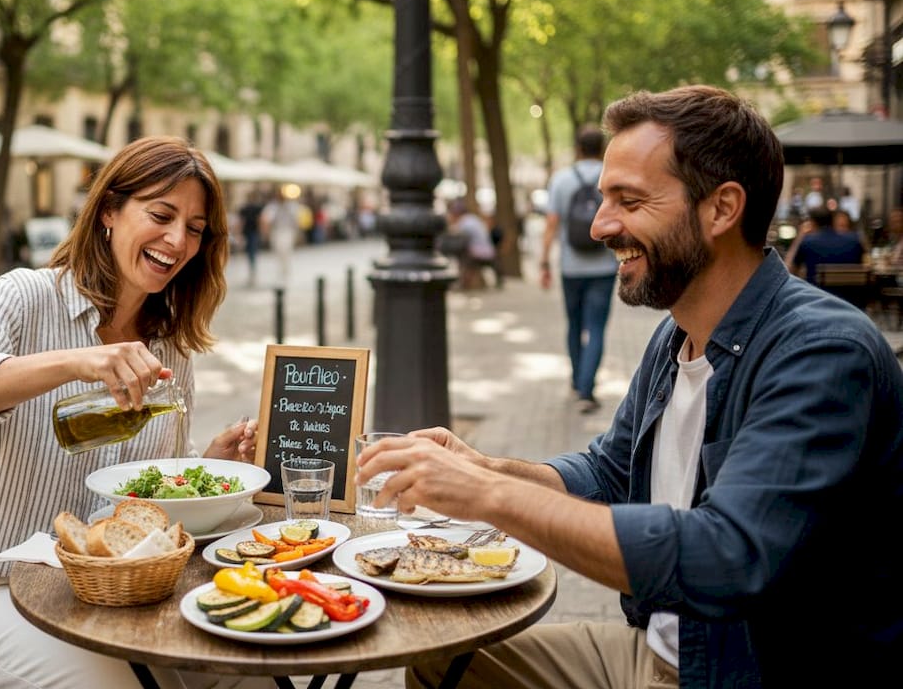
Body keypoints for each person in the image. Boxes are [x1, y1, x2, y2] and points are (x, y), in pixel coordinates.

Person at [358, 85, 903, 688]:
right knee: (442, 660)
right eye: (602, 200)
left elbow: (727, 555)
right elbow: (610, 473)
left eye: (630, 201)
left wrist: (486, 495)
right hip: (665, 651)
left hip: (737, 674)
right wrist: (484, 467)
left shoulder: (821, 351)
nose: (598, 226)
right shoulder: (678, 334)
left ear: (721, 209)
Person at [0, 136, 263, 689]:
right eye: (162, 215)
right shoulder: (23, 297)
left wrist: (207, 469)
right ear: (110, 212)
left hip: (121, 594)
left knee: (247, 667)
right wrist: (77, 361)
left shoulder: (169, 347)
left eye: (195, 228)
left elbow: (148, 497)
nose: (177, 240)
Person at [539, 126, 619, 414]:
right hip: (604, 265)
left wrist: (544, 261)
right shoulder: (609, 176)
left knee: (574, 325)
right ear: (602, 148)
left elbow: (551, 224)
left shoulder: (561, 179)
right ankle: (587, 389)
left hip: (571, 268)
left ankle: (576, 382)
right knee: (596, 327)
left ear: (578, 148)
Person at [786, 205, 864, 283]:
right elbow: (864, 267)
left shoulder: (808, 242)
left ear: (813, 223)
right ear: (833, 221)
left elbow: (789, 271)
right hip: (850, 292)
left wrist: (800, 237)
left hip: (817, 293)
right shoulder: (854, 240)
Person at [447, 200, 499, 291]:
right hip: (488, 251)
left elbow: (459, 239)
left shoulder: (465, 222)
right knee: (464, 253)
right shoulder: (473, 219)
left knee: (462, 255)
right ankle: (467, 282)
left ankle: (462, 283)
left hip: (479, 253)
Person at [262, 185, 301, 288]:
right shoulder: (273, 206)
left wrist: (297, 233)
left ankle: (286, 274)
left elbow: (296, 220)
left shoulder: (291, 206)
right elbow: (266, 219)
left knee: (286, 252)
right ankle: (281, 274)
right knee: (279, 253)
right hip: (277, 232)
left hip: (287, 232)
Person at [237, 190, 265, 286]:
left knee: (251, 251)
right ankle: (252, 268)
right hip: (250, 232)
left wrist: (239, 233)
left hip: (252, 232)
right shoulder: (249, 208)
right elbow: (242, 221)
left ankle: (252, 269)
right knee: (251, 251)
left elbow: (259, 220)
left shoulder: (253, 208)